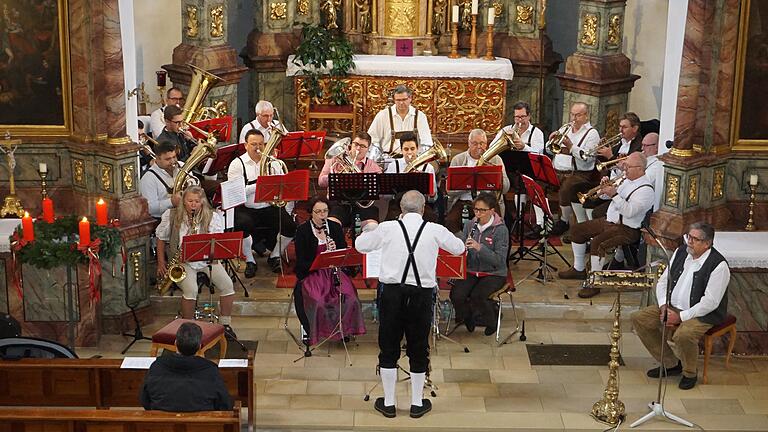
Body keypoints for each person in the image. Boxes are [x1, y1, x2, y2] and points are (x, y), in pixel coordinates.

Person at [355, 190, 465, 419]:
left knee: (389, 345)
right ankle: (416, 403)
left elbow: (360, 246)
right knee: (418, 346)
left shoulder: (386, 228)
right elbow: (459, 248)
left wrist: (369, 228)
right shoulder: (435, 230)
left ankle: (388, 402)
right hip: (421, 295)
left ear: (401, 209)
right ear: (423, 208)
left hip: (391, 294)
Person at [631, 222, 730, 390]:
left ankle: (690, 372)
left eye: (695, 239)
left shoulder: (718, 265)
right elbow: (663, 282)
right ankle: (670, 364)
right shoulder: (681, 252)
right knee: (639, 319)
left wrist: (680, 317)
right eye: (688, 237)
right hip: (671, 306)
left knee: (683, 335)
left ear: (707, 244)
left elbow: (710, 302)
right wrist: (663, 306)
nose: (689, 242)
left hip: (700, 314)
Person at [558, 152, 655, 299]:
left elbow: (629, 211)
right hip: (609, 221)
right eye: (625, 165)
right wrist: (604, 189)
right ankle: (578, 269)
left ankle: (595, 283)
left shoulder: (646, 190)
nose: (625, 169)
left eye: (628, 166)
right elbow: (605, 196)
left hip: (627, 228)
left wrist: (614, 195)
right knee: (576, 230)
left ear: (640, 169)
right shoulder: (626, 179)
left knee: (598, 243)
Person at [156, 186, 237, 333]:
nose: (193, 204)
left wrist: (213, 255)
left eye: (197, 201)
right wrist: (161, 262)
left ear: (202, 202)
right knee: (191, 289)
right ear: (183, 202)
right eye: (190, 201)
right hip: (183, 262)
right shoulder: (172, 215)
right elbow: (161, 239)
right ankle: (188, 327)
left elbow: (217, 242)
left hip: (206, 261)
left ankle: (225, 324)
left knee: (227, 285)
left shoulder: (212, 217)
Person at [293, 196, 366, 346]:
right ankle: (313, 330)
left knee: (350, 298)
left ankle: (343, 329)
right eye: (318, 211)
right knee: (319, 301)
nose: (322, 215)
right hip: (313, 273)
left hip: (333, 271)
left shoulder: (334, 227)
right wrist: (320, 259)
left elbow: (343, 252)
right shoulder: (303, 231)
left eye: (325, 211)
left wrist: (335, 253)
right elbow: (301, 261)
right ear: (311, 213)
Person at [227, 129, 296, 274]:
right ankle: (250, 260)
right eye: (253, 144)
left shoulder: (274, 163)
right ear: (245, 145)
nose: (258, 147)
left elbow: (285, 185)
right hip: (247, 207)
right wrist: (259, 185)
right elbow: (235, 192)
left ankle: (275, 255)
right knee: (241, 224)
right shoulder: (237, 164)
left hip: (269, 206)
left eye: (260, 144)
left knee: (291, 227)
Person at [450, 192, 509, 336]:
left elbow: (499, 260)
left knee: (478, 295)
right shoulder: (470, 224)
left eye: (482, 210)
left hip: (493, 273)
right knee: (456, 295)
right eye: (476, 209)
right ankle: (468, 316)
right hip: (472, 269)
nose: (478, 213)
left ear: (492, 211)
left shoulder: (501, 230)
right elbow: (462, 245)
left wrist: (479, 248)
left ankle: (491, 321)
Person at [140, 321, 232, 412]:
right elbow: (224, 404)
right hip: (201, 425)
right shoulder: (210, 370)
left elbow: (145, 400)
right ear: (199, 347)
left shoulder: (157, 367)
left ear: (175, 343)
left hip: (164, 425)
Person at [549, 102, 601, 236]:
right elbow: (550, 150)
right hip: (556, 170)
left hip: (579, 173)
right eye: (572, 114)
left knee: (566, 189)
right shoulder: (565, 128)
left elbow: (588, 157)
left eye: (578, 115)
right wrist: (550, 141)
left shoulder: (592, 133)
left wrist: (571, 146)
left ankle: (564, 221)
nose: (573, 118)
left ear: (586, 116)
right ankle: (541, 222)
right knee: (538, 183)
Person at [445, 129, 510, 234]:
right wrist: (466, 185)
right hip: (464, 201)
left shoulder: (496, 159)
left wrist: (497, 175)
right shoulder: (458, 159)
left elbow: (506, 189)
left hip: (488, 202)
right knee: (450, 222)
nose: (479, 147)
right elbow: (449, 191)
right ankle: (462, 246)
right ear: (469, 144)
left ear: (486, 144)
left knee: (496, 225)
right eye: (475, 143)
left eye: (482, 143)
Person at [318, 131, 382, 227]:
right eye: (356, 144)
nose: (358, 148)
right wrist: (336, 177)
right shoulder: (334, 159)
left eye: (363, 146)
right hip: (338, 203)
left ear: (368, 149)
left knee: (372, 227)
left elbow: (380, 186)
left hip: (362, 204)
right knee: (332, 226)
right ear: (351, 144)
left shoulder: (372, 165)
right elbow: (321, 182)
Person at [383, 132, 437, 222]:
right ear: (401, 150)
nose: (409, 152)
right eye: (406, 149)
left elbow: (433, 199)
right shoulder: (393, 165)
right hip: (398, 205)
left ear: (417, 149)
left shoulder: (428, 167)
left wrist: (428, 189)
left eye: (412, 149)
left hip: (420, 206)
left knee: (431, 219)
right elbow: (386, 197)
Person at [368, 85, 433, 156]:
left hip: (413, 160)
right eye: (398, 100)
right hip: (388, 159)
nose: (401, 103)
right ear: (394, 100)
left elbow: (426, 143)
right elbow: (373, 140)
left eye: (404, 99)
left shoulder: (420, 116)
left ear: (410, 98)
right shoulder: (382, 115)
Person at [140, 141, 182, 220]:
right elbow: (150, 208)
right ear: (157, 158)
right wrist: (171, 202)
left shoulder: (182, 166)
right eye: (168, 159)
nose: (173, 161)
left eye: (174, 157)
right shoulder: (148, 179)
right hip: (164, 220)